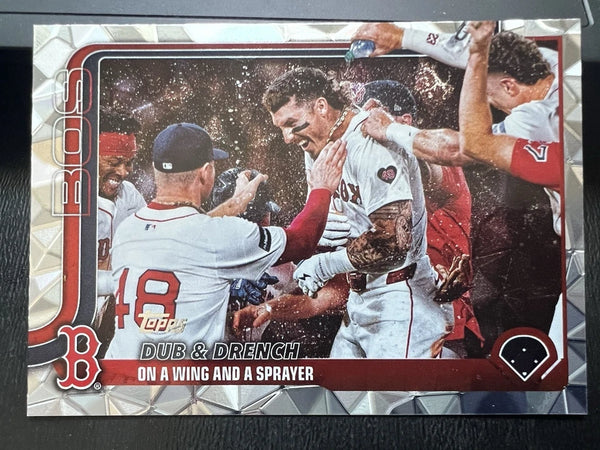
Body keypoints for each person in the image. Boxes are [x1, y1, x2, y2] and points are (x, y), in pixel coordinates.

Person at [104, 122, 346, 358]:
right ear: (205, 172)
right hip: (177, 378)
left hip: (122, 370)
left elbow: (185, 233)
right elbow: (303, 240)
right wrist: (321, 188)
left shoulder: (129, 229)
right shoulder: (219, 235)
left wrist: (233, 205)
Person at [262, 67, 452, 359]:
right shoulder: (315, 145)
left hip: (400, 294)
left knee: (395, 390)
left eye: (292, 123)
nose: (287, 137)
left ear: (321, 107)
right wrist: (320, 229)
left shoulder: (370, 139)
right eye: (281, 128)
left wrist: (327, 263)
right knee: (340, 388)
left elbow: (394, 242)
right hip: (359, 296)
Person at [357, 80, 483, 356]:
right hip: (386, 321)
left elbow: (429, 170)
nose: (363, 125)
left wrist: (391, 133)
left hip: (444, 324)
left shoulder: (442, 165)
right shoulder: (370, 178)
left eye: (372, 116)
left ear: (404, 120)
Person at [212, 167, 346, 358]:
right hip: (206, 360)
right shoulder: (197, 256)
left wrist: (272, 307)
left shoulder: (280, 256)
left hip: (237, 359)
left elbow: (334, 296)